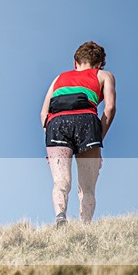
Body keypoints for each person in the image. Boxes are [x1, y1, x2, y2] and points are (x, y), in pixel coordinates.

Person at [40, 41, 116, 227]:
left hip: (57, 124)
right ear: (99, 64)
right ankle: (85, 227)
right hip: (86, 122)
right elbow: (110, 107)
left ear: (75, 62)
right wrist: (98, 139)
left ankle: (60, 217)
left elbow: (44, 113)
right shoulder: (104, 75)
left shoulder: (59, 78)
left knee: (61, 181)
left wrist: (49, 141)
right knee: (87, 188)